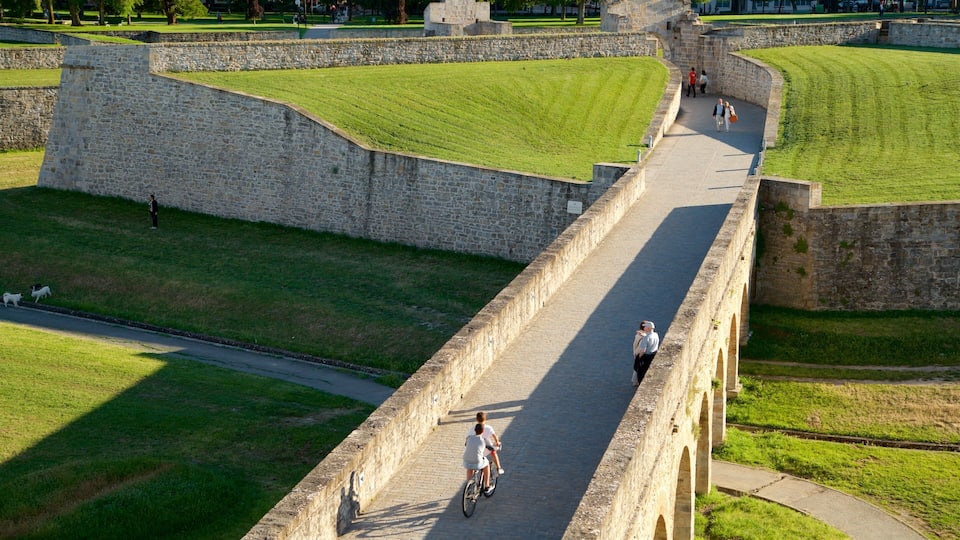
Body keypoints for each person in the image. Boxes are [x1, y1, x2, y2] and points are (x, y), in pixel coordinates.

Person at [463, 423, 493, 495]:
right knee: (487, 465)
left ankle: (469, 487)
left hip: (466, 461)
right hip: (477, 462)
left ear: (474, 430)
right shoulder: (484, 440)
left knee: (470, 468)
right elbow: (491, 448)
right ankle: (487, 486)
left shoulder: (469, 437)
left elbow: (466, 444)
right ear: (483, 431)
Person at [632, 320, 660, 387]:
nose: (643, 328)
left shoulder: (646, 337)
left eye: (645, 327)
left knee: (641, 372)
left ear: (648, 328)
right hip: (653, 354)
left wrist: (639, 358)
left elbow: (643, 350)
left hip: (646, 356)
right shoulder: (656, 335)